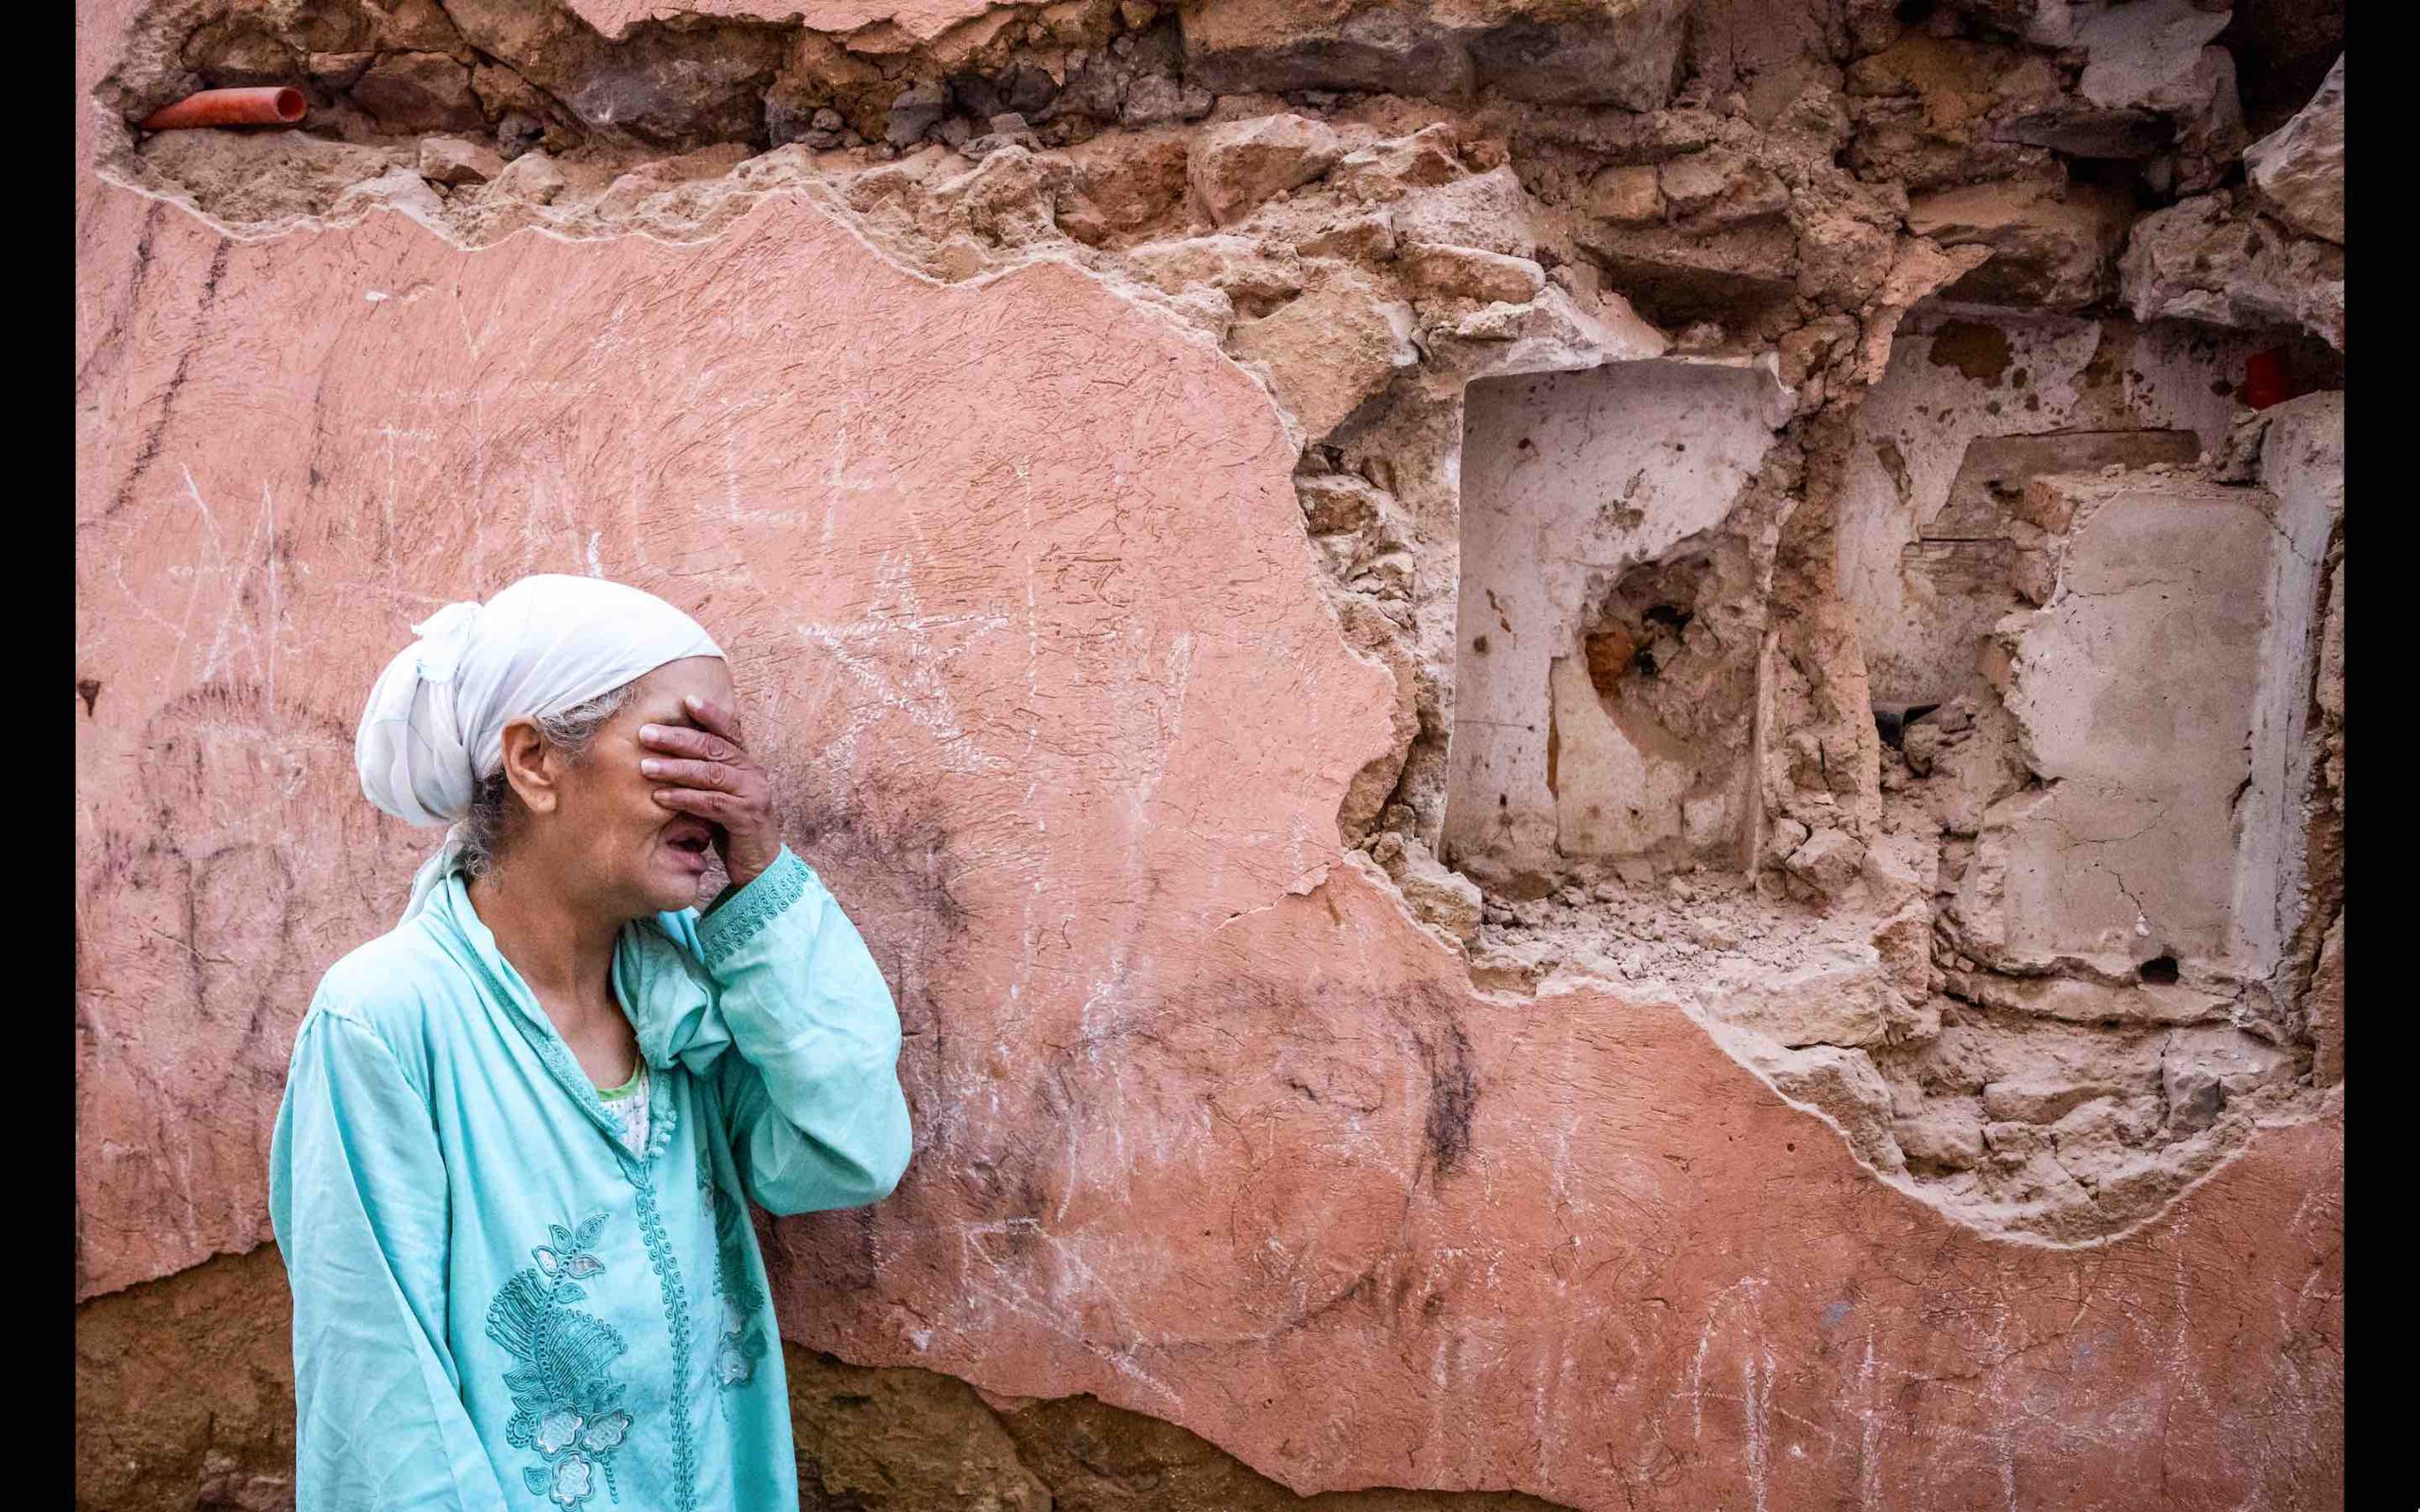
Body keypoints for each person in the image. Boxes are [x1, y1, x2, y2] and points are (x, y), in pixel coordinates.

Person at [268, 574, 912, 1510]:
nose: (724, 794)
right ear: (534, 760)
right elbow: (384, 1405)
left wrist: (762, 876)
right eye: (685, 749)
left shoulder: (684, 992)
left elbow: (845, 1150)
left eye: (733, 754)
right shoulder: (384, 1019)